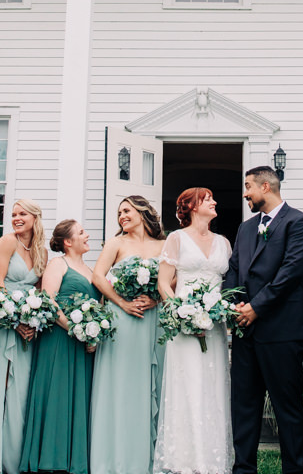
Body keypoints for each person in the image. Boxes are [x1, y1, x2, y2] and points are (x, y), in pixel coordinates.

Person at [224, 166, 303, 474]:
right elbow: (234, 270)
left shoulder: (300, 223)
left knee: (287, 407)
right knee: (244, 406)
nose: (245, 192)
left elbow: (291, 274)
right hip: (245, 331)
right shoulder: (246, 228)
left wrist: (257, 308)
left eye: (248, 186)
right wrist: (236, 307)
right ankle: (244, 468)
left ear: (266, 187)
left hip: (281, 332)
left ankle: (294, 469)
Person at [155, 187, 235, 474]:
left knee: (212, 384)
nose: (214, 202)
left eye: (214, 197)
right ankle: (184, 461)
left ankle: (212, 459)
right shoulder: (175, 239)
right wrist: (181, 314)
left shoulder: (224, 243)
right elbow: (164, 283)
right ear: (191, 206)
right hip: (185, 327)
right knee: (186, 384)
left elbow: (227, 286)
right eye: (207, 199)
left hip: (214, 327)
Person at [90, 196, 167, 474]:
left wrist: (157, 300)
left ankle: (151, 458)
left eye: (126, 210)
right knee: (121, 384)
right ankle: (114, 458)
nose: (122, 216)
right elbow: (98, 277)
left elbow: (171, 280)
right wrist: (122, 303)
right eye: (119, 212)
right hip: (121, 321)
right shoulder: (116, 243)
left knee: (151, 383)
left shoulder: (163, 245)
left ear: (143, 212)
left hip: (152, 321)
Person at [20, 219, 100, 474]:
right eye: (81, 232)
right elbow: (48, 302)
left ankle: (74, 458)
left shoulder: (90, 270)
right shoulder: (58, 264)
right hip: (59, 340)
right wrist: (77, 331)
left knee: (80, 396)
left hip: (83, 344)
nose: (87, 236)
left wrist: (92, 334)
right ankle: (51, 458)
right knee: (57, 392)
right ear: (68, 242)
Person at [0, 198, 48, 474]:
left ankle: (13, 458)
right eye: (14, 214)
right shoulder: (7, 242)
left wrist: (33, 321)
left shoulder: (41, 250)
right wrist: (16, 318)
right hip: (3, 323)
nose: (16, 218)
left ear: (34, 217)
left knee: (20, 391)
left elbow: (41, 292)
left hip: (26, 329)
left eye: (22, 214)